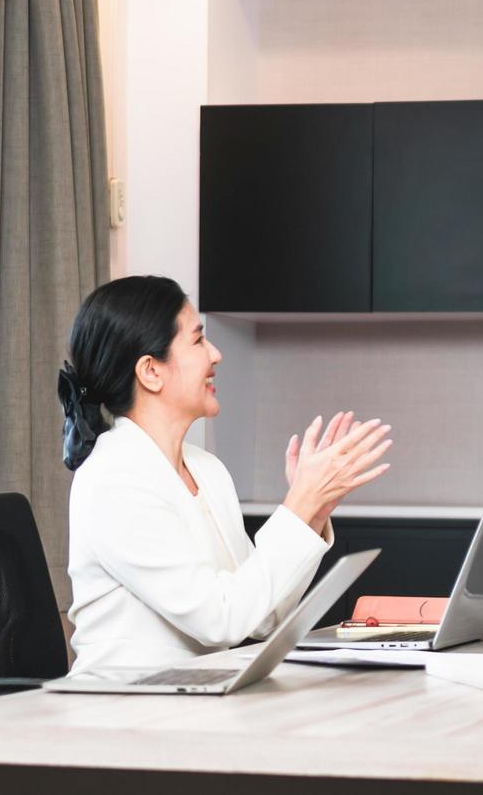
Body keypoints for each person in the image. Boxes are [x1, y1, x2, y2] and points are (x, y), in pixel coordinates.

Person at [61, 275, 392, 674]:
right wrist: (298, 505)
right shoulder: (114, 480)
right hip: (127, 706)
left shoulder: (207, 469)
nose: (215, 354)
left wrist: (313, 510)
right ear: (151, 372)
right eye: (198, 340)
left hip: (203, 697)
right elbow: (222, 620)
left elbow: (261, 616)